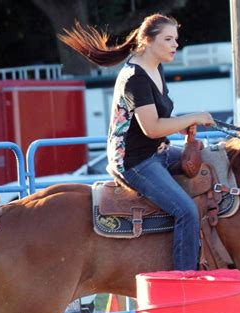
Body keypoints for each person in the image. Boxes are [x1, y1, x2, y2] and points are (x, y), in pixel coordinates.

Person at [60, 14, 214, 270]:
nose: (175, 44)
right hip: (134, 161)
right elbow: (152, 128)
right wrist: (193, 117)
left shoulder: (155, 68)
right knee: (186, 211)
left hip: (158, 152)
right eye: (168, 39)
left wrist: (182, 126)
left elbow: (158, 122)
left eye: (175, 39)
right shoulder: (135, 77)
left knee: (212, 162)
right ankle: (185, 281)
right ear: (148, 40)